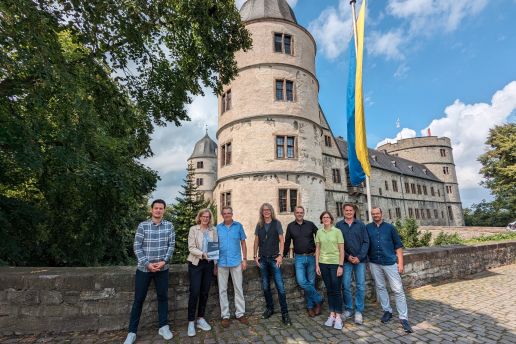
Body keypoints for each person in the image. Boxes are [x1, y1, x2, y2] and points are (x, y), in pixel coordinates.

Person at [124, 199, 175, 344]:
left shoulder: (169, 226)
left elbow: (171, 245)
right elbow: (137, 246)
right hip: (144, 270)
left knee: (163, 297)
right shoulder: (143, 226)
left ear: (164, 210)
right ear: (151, 210)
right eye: (156, 208)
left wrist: (164, 261)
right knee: (138, 300)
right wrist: (147, 264)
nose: (158, 210)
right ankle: (132, 332)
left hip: (162, 269)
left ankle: (163, 326)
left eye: (161, 208)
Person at [366, 207, 413, 333]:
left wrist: (401, 264)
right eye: (373, 214)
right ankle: (387, 311)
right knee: (380, 287)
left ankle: (403, 318)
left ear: (382, 214)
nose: (375, 215)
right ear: (372, 215)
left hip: (389, 262)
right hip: (374, 262)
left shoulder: (390, 228)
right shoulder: (368, 228)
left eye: (377, 213)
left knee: (398, 289)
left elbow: (398, 246)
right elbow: (366, 245)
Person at [253, 203, 292, 326]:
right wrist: (255, 256)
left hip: (275, 259)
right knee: (265, 286)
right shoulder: (259, 225)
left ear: (271, 211)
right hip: (263, 259)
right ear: (262, 212)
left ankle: (285, 314)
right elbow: (256, 241)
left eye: (268, 210)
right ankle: (270, 309)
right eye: (264, 210)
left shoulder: (277, 223)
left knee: (280, 288)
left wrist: (281, 255)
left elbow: (282, 240)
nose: (266, 212)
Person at [283, 206, 323, 317]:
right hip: (299, 258)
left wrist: (318, 250)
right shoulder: (290, 226)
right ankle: (319, 299)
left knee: (311, 283)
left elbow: (320, 236)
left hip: (311, 257)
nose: (299, 214)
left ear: (304, 213)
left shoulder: (310, 224)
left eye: (301, 212)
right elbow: (287, 243)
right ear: (294, 214)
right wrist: (281, 256)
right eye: (297, 212)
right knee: (302, 281)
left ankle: (311, 307)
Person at [335, 203, 369, 324]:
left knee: (360, 285)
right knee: (345, 285)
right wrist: (348, 256)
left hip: (360, 260)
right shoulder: (339, 225)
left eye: (351, 210)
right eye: (346, 210)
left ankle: (359, 311)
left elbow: (366, 242)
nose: (349, 212)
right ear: (343, 212)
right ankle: (349, 309)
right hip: (346, 260)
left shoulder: (360, 224)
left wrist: (359, 257)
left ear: (354, 212)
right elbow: (337, 244)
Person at [186, 208, 217, 337]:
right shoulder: (194, 229)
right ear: (199, 217)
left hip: (209, 264)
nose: (205, 219)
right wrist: (203, 254)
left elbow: (215, 247)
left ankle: (200, 318)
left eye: (207, 217)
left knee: (205, 291)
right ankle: (191, 322)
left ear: (210, 218)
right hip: (196, 263)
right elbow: (191, 247)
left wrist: (215, 265)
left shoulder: (213, 230)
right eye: (203, 216)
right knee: (195, 292)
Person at [216, 206, 249, 328]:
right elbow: (213, 246)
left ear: (232, 213)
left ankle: (240, 314)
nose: (227, 215)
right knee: (222, 290)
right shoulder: (217, 228)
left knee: (238, 288)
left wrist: (244, 259)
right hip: (221, 263)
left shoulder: (238, 226)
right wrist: (214, 263)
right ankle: (225, 316)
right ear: (222, 214)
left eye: (229, 213)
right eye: (224, 213)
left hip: (236, 262)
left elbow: (243, 243)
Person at [315, 211, 345, 330]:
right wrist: (317, 265)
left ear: (331, 219)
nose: (326, 219)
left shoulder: (337, 231)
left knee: (337, 290)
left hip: (335, 264)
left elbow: (342, 250)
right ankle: (331, 314)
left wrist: (341, 266)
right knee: (329, 290)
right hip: (323, 264)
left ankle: (338, 316)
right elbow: (318, 249)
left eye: (328, 217)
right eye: (324, 217)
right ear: (322, 220)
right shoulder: (319, 232)